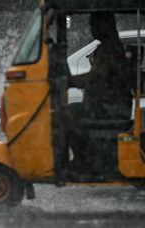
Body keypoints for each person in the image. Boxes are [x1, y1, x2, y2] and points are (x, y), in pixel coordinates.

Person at [67, 12, 135, 171]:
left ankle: (82, 159)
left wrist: (69, 81)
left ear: (104, 26)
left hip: (112, 107)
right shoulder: (110, 46)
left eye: (94, 25)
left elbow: (96, 77)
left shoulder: (110, 48)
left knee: (68, 113)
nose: (92, 29)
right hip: (112, 104)